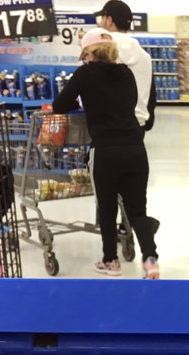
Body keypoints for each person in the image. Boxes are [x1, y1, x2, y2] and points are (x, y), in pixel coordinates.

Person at [52, 28, 160, 279]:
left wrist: (84, 100)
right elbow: (131, 103)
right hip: (135, 149)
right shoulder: (126, 73)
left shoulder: (85, 74)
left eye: (85, 54)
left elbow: (60, 105)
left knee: (108, 209)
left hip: (106, 151)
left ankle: (111, 261)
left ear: (90, 52)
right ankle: (151, 259)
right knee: (137, 211)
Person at [94, 0, 156, 132]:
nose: (99, 23)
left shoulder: (101, 52)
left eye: (101, 19)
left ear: (109, 20)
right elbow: (151, 93)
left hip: (107, 126)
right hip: (137, 125)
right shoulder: (145, 56)